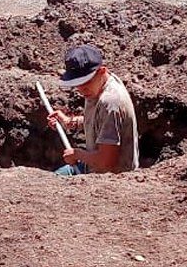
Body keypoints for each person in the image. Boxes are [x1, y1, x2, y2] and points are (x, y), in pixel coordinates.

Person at [46, 44, 139, 176]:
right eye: (78, 84)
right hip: (91, 168)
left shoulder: (111, 101)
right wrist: (70, 122)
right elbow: (101, 121)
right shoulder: (98, 85)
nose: (82, 90)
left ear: (102, 71)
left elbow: (106, 162)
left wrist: (77, 154)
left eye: (85, 83)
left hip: (111, 180)